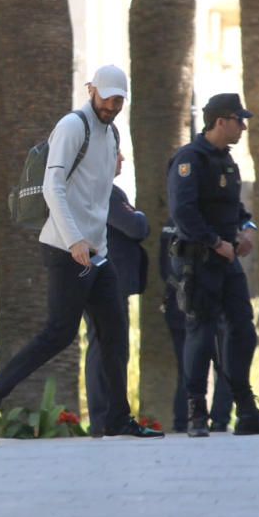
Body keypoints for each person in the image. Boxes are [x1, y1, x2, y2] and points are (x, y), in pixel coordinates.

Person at [0, 65, 163, 443]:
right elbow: (52, 186)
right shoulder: (74, 126)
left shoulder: (112, 133)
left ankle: (118, 418)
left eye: (118, 98)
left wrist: (96, 245)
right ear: (91, 91)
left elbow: (98, 196)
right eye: (107, 96)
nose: (112, 104)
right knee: (59, 333)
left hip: (95, 252)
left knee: (115, 333)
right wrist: (74, 240)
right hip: (64, 247)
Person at [166, 93, 259, 437]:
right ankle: (196, 413)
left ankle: (245, 411)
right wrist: (215, 242)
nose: (244, 127)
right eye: (239, 120)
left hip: (227, 261)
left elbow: (236, 211)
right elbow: (183, 212)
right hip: (199, 260)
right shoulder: (190, 159)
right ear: (221, 121)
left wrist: (247, 229)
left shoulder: (226, 162)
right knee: (201, 333)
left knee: (243, 330)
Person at [84, 151, 149, 436]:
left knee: (110, 347)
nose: (122, 160)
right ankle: (104, 417)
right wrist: (140, 215)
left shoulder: (108, 191)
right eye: (117, 155)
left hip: (112, 284)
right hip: (107, 284)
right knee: (104, 347)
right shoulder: (105, 193)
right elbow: (136, 227)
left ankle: (109, 416)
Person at [159, 220, 232, 433]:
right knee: (222, 363)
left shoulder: (173, 223)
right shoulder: (208, 226)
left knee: (190, 366)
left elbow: (166, 269)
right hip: (199, 299)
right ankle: (212, 420)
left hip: (180, 301)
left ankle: (188, 421)